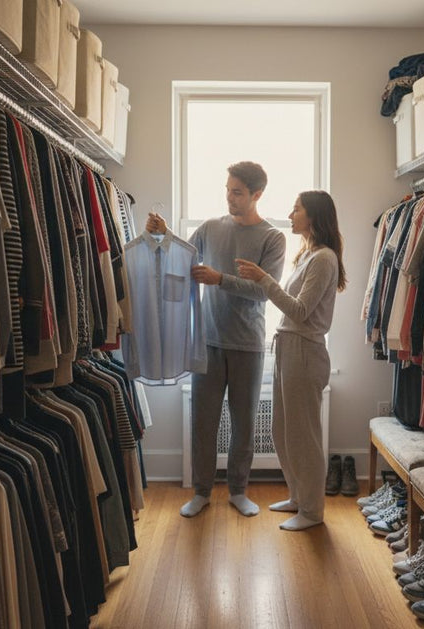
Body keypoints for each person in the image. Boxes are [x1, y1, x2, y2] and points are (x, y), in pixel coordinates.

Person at [146, 161, 286, 518]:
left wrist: (219, 279)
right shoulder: (210, 228)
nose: (230, 197)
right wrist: (162, 237)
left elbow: (263, 291)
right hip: (207, 342)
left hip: (249, 345)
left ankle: (238, 490)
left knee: (244, 423)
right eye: (227, 189)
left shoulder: (273, 238)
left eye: (237, 192)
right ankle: (202, 492)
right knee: (203, 421)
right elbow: (181, 262)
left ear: (257, 194)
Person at [235, 190, 346, 531]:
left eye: (296, 209)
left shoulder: (324, 258)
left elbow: (299, 311)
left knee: (303, 435)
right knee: (283, 431)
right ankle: (299, 498)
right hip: (288, 347)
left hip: (304, 350)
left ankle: (312, 512)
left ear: (313, 216)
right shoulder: (307, 255)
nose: (291, 213)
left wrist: (263, 279)